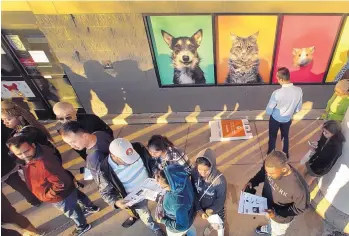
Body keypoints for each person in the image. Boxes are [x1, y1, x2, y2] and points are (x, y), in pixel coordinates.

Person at [2, 101, 99, 215]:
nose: (5, 123)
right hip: (51, 159)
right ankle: (84, 200)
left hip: (47, 163)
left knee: (63, 187)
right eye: (3, 120)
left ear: (18, 117)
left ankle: (82, 213)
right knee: (65, 180)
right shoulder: (23, 130)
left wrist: (49, 195)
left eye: (7, 119)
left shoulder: (27, 133)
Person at [6, 136, 91, 236]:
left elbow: (59, 184)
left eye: (26, 151)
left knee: (72, 212)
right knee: (77, 196)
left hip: (59, 195)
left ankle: (82, 226)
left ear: (33, 145)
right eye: (19, 154)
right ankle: (90, 206)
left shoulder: (43, 163)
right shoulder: (42, 150)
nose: (24, 156)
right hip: (68, 186)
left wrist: (48, 195)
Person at [96, 138, 165, 235]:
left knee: (164, 202)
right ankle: (155, 228)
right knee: (145, 214)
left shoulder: (138, 147)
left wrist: (156, 172)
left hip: (152, 185)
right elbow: (105, 192)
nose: (131, 161)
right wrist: (116, 203)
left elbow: (151, 161)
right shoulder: (104, 170)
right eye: (126, 160)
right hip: (135, 197)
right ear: (114, 156)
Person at [243, 151, 309, 236]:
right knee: (269, 220)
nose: (268, 175)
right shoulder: (270, 168)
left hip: (280, 219)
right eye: (268, 172)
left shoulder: (299, 189)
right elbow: (262, 173)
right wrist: (252, 182)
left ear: (284, 169)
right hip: (267, 208)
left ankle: (274, 231)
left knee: (276, 232)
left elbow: (300, 208)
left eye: (271, 174)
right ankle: (270, 227)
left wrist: (276, 214)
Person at [2, 122, 41, 207]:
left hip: (6, 164)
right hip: (7, 163)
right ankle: (34, 200)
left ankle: (6, 213)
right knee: (18, 184)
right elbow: (7, 133)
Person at [266, 67, 303, 158]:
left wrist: (270, 113)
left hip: (275, 118)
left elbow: (269, 110)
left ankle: (271, 153)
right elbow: (298, 108)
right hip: (287, 118)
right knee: (285, 136)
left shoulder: (277, 93)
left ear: (281, 79)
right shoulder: (299, 90)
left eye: (277, 78)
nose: (277, 80)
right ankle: (285, 154)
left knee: (272, 136)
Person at [191, 149, 227, 236]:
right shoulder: (194, 172)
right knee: (211, 221)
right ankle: (212, 226)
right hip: (201, 206)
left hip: (215, 209)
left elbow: (220, 200)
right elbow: (194, 191)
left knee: (220, 224)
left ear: (212, 166)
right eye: (200, 169)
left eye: (206, 170)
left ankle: (220, 231)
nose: (202, 173)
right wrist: (199, 209)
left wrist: (211, 210)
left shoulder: (220, 181)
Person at [155, 165, 196, 236]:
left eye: (163, 187)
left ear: (172, 185)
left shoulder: (178, 204)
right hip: (189, 215)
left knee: (185, 230)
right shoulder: (182, 177)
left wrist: (163, 221)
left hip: (177, 230)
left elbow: (182, 226)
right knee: (190, 231)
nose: (162, 189)